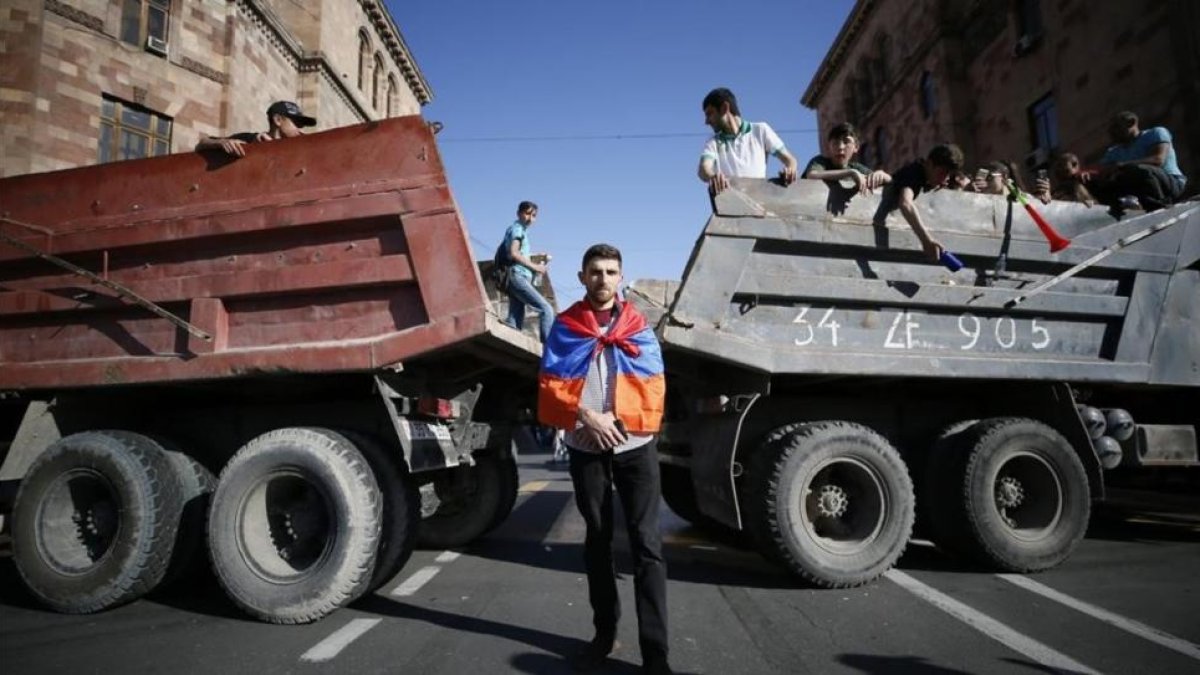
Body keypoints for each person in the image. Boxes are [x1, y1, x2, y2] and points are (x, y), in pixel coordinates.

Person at [538, 244, 670, 675]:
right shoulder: (566, 326)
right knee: (597, 540)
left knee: (647, 545)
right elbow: (551, 384)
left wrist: (624, 421)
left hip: (636, 446)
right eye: (595, 271)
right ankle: (603, 633)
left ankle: (656, 654)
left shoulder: (637, 325)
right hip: (586, 444)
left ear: (621, 277)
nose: (603, 279)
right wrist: (586, 417)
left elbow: (654, 384)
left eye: (611, 271)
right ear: (582, 277)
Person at [697, 87, 798, 195]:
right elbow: (703, 169)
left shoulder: (760, 130)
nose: (706, 121)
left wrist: (790, 170)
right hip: (729, 206)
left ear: (724, 108)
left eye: (709, 114)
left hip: (759, 204)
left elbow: (790, 160)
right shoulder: (713, 141)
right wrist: (713, 177)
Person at [1096, 110, 1188, 212]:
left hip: (1169, 184)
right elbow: (1103, 171)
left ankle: (1158, 206)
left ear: (1131, 123)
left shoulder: (1155, 133)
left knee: (1139, 169)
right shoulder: (1113, 152)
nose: (1111, 132)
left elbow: (1158, 159)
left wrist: (1122, 165)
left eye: (1115, 127)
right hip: (1137, 190)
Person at [887, 143, 964, 260]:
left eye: (948, 174)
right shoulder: (914, 173)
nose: (945, 179)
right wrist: (926, 240)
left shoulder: (928, 177)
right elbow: (905, 204)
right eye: (942, 173)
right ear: (929, 164)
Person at [501, 201, 555, 341]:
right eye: (527, 213)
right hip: (517, 276)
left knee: (514, 321)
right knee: (546, 309)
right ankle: (549, 351)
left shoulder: (520, 231)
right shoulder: (517, 229)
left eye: (534, 215)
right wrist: (536, 267)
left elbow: (518, 254)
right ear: (519, 213)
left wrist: (537, 258)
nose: (530, 218)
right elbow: (514, 253)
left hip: (519, 276)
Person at [194, 100, 317, 157]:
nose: (300, 130)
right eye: (296, 123)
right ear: (278, 120)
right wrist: (222, 143)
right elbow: (201, 144)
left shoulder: (300, 148)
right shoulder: (250, 140)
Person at [801, 122, 891, 194]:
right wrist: (850, 173)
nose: (840, 147)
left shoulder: (857, 168)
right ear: (829, 147)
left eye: (846, 141)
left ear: (856, 147)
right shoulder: (821, 162)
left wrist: (883, 175)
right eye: (835, 143)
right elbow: (812, 175)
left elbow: (892, 184)